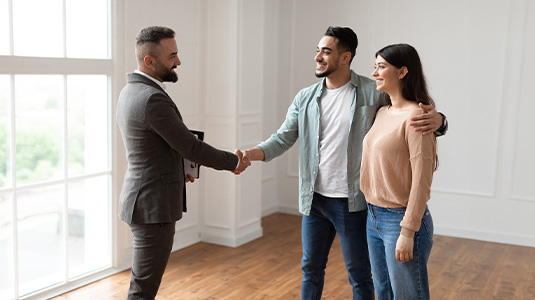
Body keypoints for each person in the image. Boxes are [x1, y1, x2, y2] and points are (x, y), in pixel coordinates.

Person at [242, 27, 447, 299]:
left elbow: (409, 110)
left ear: (345, 57)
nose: (318, 56)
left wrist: (440, 120)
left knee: (361, 277)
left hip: (352, 203)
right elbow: (282, 138)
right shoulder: (306, 98)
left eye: (326, 51)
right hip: (315, 200)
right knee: (311, 269)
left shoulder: (372, 93)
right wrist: (249, 155)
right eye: (318, 50)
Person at [116, 26, 249, 299]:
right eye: (172, 56)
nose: (178, 62)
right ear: (149, 61)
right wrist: (234, 161)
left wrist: (180, 167)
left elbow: (156, 146)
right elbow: (190, 146)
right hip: (153, 206)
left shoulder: (130, 91)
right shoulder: (152, 98)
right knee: (143, 290)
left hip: (144, 200)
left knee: (142, 283)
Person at [360, 43, 438, 300]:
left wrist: (407, 231)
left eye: (381, 67)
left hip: (400, 220)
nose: (375, 73)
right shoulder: (383, 111)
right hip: (373, 216)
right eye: (375, 67)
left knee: (407, 296)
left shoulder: (417, 117)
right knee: (383, 293)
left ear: (403, 71)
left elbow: (422, 181)